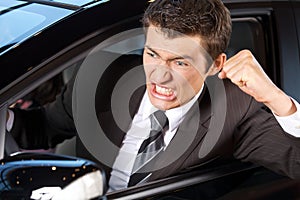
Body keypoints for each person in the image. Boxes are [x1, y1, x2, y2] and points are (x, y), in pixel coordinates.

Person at [6, 0, 300, 193]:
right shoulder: (100, 78)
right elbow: (38, 129)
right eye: (153, 54)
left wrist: (278, 100)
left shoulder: (235, 110)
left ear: (216, 65)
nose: (159, 76)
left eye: (180, 62)